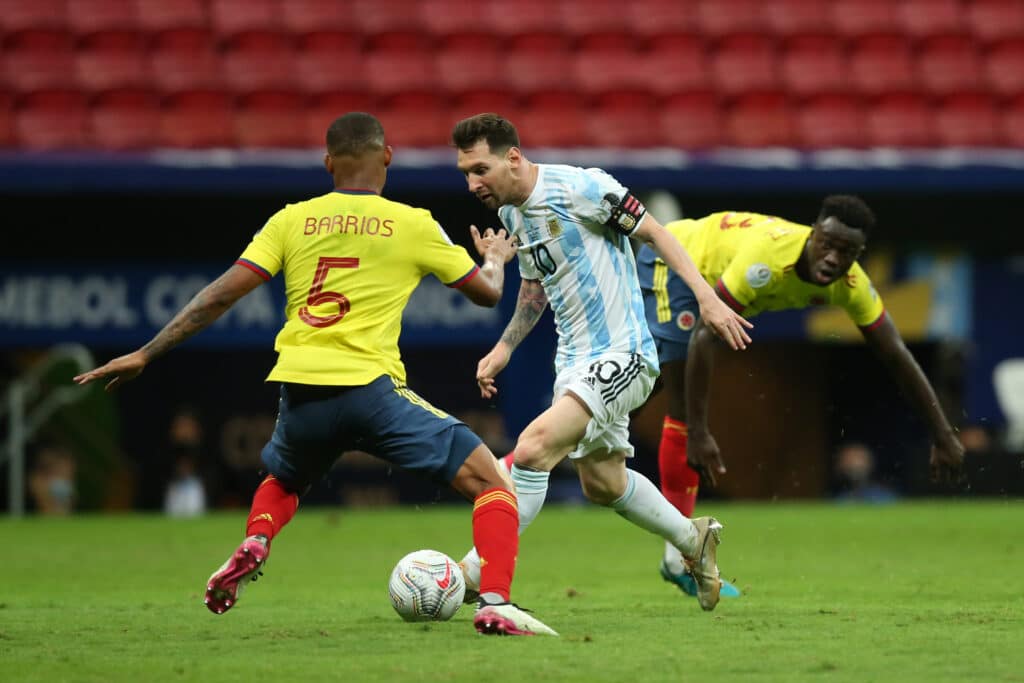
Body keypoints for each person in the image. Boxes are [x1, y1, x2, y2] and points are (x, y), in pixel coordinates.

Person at [73, 112, 555, 637]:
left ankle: (257, 538)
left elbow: (220, 295)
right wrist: (496, 259)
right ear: (387, 157)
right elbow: (486, 295)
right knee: (494, 485)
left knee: (283, 478)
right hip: (371, 389)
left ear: (328, 163)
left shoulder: (289, 220)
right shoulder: (412, 222)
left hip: (300, 391)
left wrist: (147, 352)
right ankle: (495, 603)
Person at [451, 113, 753, 612]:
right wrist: (506, 347)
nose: (472, 183)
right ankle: (693, 538)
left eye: (480, 169)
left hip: (625, 353)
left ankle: (474, 573)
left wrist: (707, 298)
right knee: (603, 482)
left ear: (512, 157)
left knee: (530, 450)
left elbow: (656, 233)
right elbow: (535, 283)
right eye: (465, 173)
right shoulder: (511, 215)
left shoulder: (582, 188)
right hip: (572, 364)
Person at [635, 196, 965, 597]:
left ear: (859, 255)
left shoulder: (852, 284)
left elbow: (896, 354)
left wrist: (943, 433)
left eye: (847, 252)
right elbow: (708, 335)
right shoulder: (768, 260)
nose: (832, 257)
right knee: (679, 402)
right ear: (813, 233)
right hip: (678, 260)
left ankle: (677, 556)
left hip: (711, 277)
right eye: (826, 243)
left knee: (663, 391)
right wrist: (702, 433)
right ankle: (678, 557)